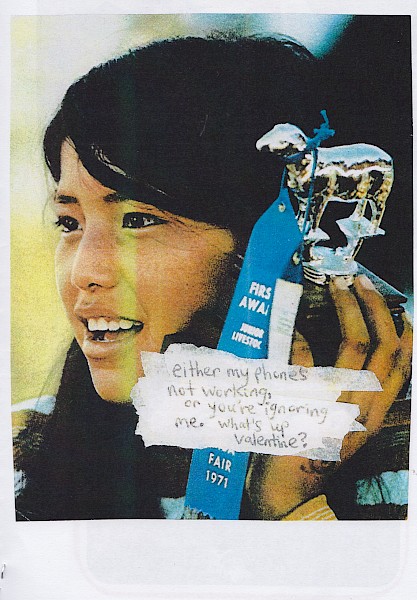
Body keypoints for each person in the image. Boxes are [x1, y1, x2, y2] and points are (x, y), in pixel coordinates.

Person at [12, 35, 412, 521]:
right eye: (68, 223)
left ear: (274, 242)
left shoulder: (401, 471)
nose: (84, 272)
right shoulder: (20, 455)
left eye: (138, 220)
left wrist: (290, 507)